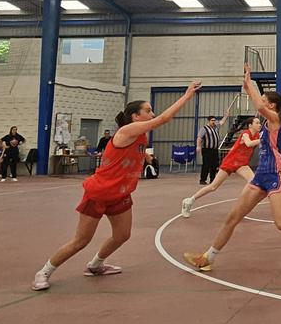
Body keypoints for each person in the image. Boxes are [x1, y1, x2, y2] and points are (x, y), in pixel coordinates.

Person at [30, 81, 202, 291]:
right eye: (148, 110)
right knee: (81, 240)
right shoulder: (126, 131)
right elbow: (164, 119)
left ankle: (95, 265)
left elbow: (132, 153)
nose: (152, 113)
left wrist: (146, 158)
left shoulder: (141, 135)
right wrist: (187, 95)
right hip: (99, 192)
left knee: (122, 235)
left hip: (120, 194)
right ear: (135, 116)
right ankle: (44, 272)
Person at [184, 64, 281, 275]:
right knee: (232, 218)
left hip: (276, 174)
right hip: (261, 174)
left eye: (263, 100)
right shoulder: (266, 123)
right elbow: (258, 106)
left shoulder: (275, 119)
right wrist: (247, 85)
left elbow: (259, 106)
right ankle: (207, 258)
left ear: (271, 105)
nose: (260, 103)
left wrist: (249, 83)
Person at [181, 116, 262, 218]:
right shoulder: (245, 133)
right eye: (257, 123)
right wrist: (262, 140)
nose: (259, 125)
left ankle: (241, 207)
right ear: (250, 125)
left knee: (253, 182)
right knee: (213, 187)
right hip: (230, 162)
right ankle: (189, 201)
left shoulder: (257, 135)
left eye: (259, 123)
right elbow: (249, 143)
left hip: (242, 164)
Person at [196, 112, 230, 186]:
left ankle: (212, 180)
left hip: (214, 150)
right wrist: (198, 146)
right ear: (208, 121)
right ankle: (203, 180)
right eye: (212, 120)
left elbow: (222, 122)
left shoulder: (216, 127)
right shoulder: (204, 129)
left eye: (214, 120)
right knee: (206, 165)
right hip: (207, 150)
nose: (214, 122)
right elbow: (199, 138)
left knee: (214, 165)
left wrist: (226, 116)